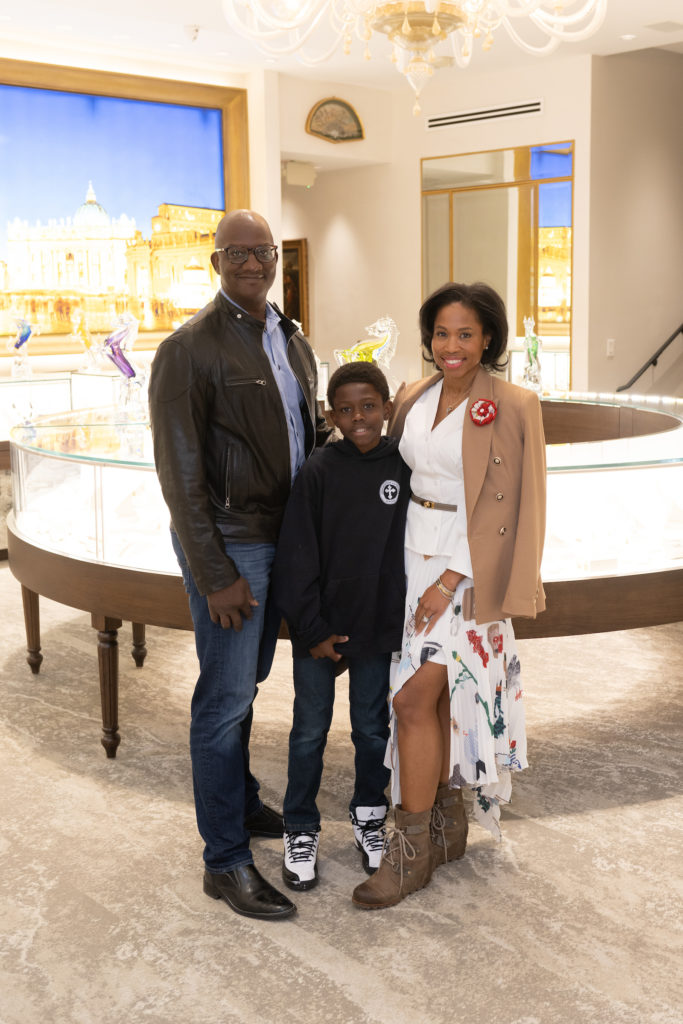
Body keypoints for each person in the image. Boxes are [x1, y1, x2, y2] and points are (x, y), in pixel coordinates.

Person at [148, 209, 331, 921]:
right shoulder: (187, 349)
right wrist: (213, 569)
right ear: (216, 260)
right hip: (231, 544)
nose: (252, 263)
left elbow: (307, 434)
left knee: (247, 684)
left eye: (264, 252)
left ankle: (245, 802)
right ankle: (223, 861)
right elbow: (179, 473)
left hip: (284, 539)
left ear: (276, 260)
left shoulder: (290, 338)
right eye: (238, 253)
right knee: (222, 698)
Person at [352, 282, 547, 910]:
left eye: (465, 334)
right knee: (433, 703)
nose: (451, 347)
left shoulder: (514, 404)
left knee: (411, 701)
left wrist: (449, 579)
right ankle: (445, 826)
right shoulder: (414, 394)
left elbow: (510, 507)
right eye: (441, 333)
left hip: (465, 573)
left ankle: (406, 853)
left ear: (488, 336)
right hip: (412, 556)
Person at [271, 362, 411, 891]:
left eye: (369, 407)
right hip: (320, 630)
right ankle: (300, 826)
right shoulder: (317, 471)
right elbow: (296, 557)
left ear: (387, 409)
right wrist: (311, 629)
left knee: (372, 728)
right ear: (330, 415)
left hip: (376, 626)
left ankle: (370, 816)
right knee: (309, 731)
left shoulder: (403, 466)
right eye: (346, 410)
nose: (359, 418)